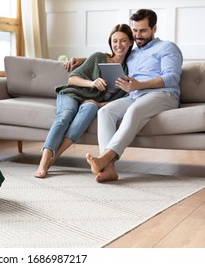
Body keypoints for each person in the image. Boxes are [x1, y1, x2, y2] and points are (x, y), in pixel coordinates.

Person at [86, 9, 183, 183]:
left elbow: (172, 77)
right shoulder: (133, 52)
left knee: (134, 110)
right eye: (135, 31)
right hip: (134, 95)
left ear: (154, 29)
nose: (138, 35)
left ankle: (105, 158)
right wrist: (80, 61)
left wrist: (139, 85)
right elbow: (113, 56)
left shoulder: (167, 47)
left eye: (143, 30)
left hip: (163, 95)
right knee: (104, 112)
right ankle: (109, 169)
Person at [34, 23, 134, 178]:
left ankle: (55, 157)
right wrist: (92, 83)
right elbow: (72, 78)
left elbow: (125, 99)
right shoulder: (98, 57)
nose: (118, 45)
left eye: (122, 41)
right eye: (114, 41)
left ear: (130, 43)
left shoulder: (129, 70)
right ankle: (44, 161)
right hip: (72, 94)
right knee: (65, 115)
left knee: (91, 109)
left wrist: (99, 104)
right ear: (110, 43)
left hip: (91, 102)